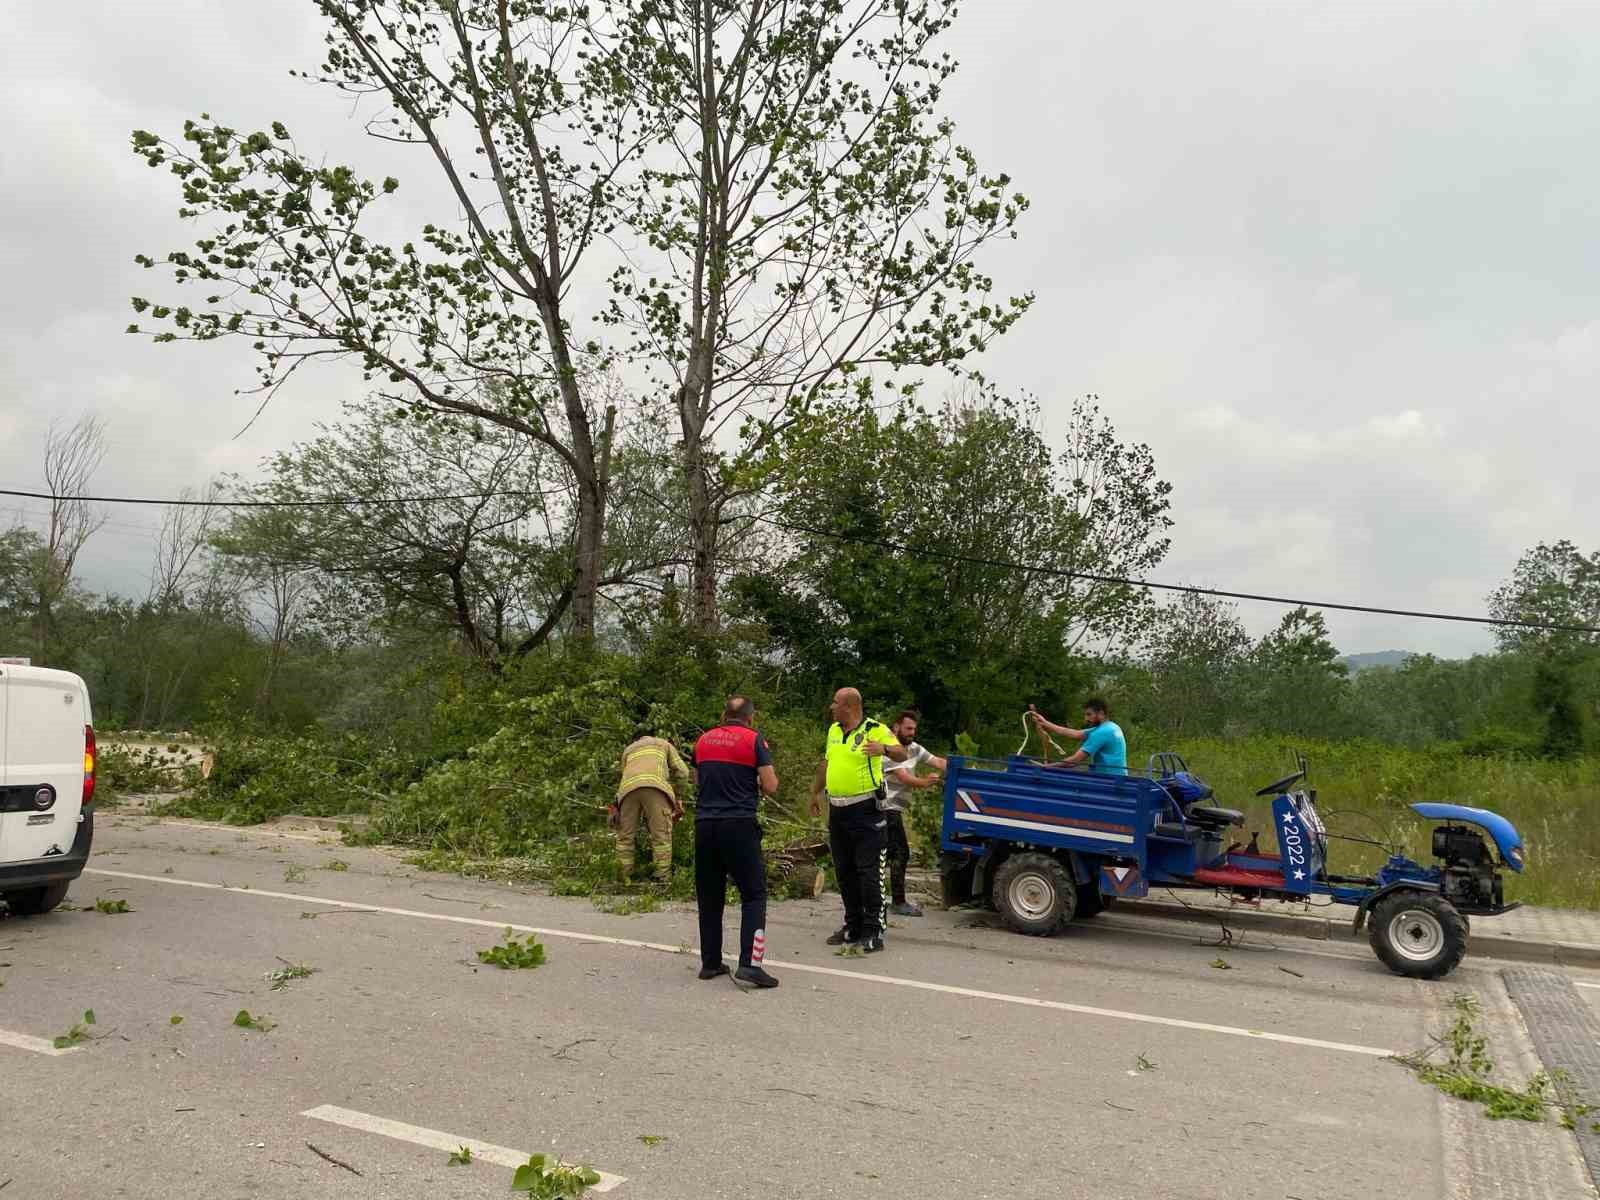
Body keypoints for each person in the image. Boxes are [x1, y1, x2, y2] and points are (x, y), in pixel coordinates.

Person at [808, 688, 908, 952]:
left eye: (836, 703)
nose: (832, 707)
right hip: (837, 810)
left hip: (865, 810)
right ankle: (852, 925)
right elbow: (826, 763)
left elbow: (902, 754)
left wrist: (883, 748)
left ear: (850, 706)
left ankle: (873, 930)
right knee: (845, 871)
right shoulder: (833, 731)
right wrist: (814, 792)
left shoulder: (875, 729)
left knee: (869, 871)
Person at [691, 696, 781, 989]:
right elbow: (769, 785)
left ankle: (710, 962)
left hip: (705, 825)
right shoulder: (754, 740)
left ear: (723, 715)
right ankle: (750, 965)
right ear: (750, 718)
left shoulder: (703, 741)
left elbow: (696, 778)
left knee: (709, 896)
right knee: (753, 895)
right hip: (739, 825)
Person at [880, 709, 947, 918]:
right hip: (885, 808)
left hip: (894, 810)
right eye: (908, 728)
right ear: (896, 726)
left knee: (887, 854)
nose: (912, 733)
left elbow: (937, 761)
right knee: (900, 853)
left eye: (914, 729)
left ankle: (878, 899)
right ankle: (897, 902)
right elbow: (904, 778)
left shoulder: (914, 748)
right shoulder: (889, 749)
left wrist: (960, 767)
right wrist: (925, 782)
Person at [612, 727, 691, 884]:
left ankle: (624, 877)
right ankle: (662, 879)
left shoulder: (628, 750)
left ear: (635, 740)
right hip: (655, 789)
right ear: (651, 736)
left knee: (625, 836)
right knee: (661, 836)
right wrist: (678, 796)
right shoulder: (663, 744)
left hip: (627, 791)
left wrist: (615, 805)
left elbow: (623, 776)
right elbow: (683, 772)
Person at [1029, 697, 1128, 774]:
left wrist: (1047, 767)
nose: (1086, 719)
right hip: (1119, 777)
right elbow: (1076, 734)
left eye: (1089, 714)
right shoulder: (1111, 726)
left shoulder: (1101, 732)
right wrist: (1045, 723)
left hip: (1109, 781)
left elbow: (1075, 760)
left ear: (1101, 713)